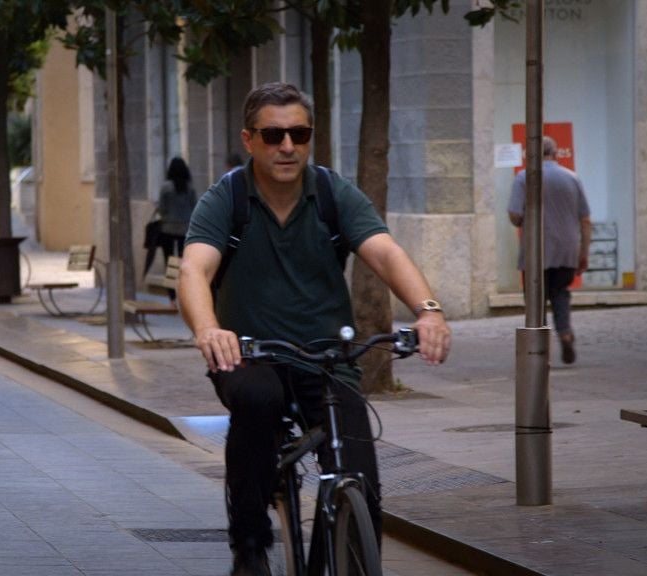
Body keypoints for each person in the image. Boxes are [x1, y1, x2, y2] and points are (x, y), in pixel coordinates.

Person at [177, 82, 451, 576]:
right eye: (274, 134)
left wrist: (428, 309)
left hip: (327, 355)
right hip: (248, 353)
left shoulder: (330, 192)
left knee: (361, 477)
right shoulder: (228, 199)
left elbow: (384, 251)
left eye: (299, 134)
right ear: (250, 139)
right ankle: (250, 544)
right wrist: (209, 330)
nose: (287, 146)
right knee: (256, 403)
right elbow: (194, 270)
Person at [508, 135, 591, 364]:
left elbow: (515, 215)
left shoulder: (524, 177)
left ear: (531, 154)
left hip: (536, 250)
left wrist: (523, 219)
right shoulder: (572, 178)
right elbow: (585, 219)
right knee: (560, 292)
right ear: (555, 153)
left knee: (535, 299)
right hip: (567, 249)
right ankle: (564, 333)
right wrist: (583, 252)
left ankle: (539, 349)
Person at [144, 157, 197, 299]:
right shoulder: (190, 187)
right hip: (185, 230)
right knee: (183, 263)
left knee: (169, 263)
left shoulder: (166, 187)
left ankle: (172, 297)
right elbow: (195, 207)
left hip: (167, 229)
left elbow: (162, 209)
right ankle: (184, 294)